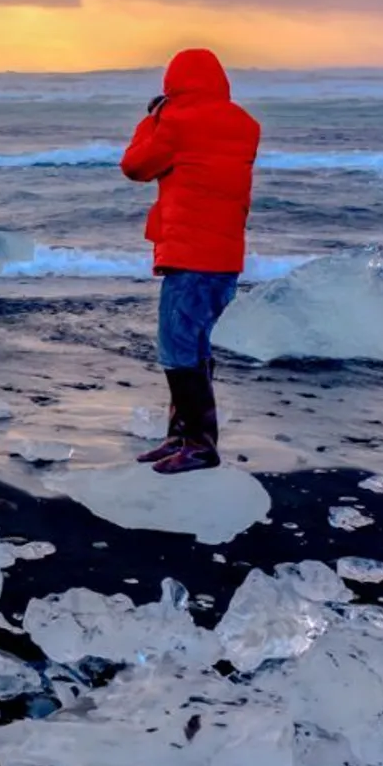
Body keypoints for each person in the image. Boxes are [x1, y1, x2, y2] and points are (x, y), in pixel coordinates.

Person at [119, 48, 261, 474]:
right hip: (225, 256)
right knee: (196, 345)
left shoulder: (176, 122)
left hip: (190, 255)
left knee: (177, 348)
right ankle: (183, 436)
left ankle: (199, 444)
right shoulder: (244, 124)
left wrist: (152, 119)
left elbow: (135, 166)